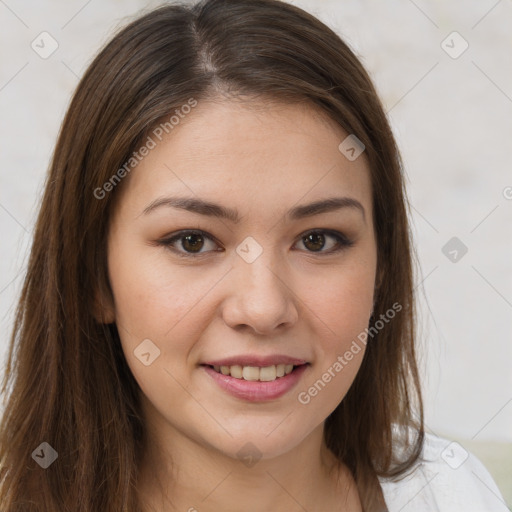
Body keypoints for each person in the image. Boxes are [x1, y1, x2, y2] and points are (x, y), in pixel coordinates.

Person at [0, 0, 506, 510]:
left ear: (383, 266)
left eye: (318, 240)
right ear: (93, 275)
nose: (263, 309)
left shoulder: (453, 494)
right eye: (192, 241)